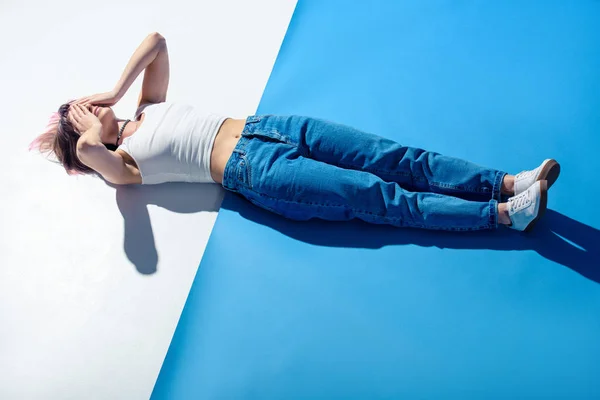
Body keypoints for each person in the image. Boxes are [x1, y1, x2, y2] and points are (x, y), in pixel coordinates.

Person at [30, 32, 560, 233]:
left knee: (395, 156)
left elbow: (157, 42)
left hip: (273, 128)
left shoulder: (147, 104)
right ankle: (500, 217)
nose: (86, 107)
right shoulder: (122, 167)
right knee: (383, 198)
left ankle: (508, 182)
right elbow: (87, 151)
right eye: (78, 109)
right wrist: (82, 133)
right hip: (258, 173)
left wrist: (115, 91)